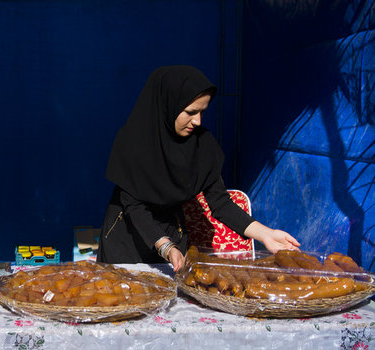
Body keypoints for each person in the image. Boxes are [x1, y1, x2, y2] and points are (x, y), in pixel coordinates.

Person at [98, 65, 299, 270]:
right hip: (127, 240)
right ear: (168, 105)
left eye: (203, 111)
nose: (197, 121)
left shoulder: (203, 144)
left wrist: (266, 234)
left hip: (173, 236)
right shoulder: (133, 143)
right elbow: (135, 207)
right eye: (190, 112)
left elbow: (221, 204)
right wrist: (166, 247)